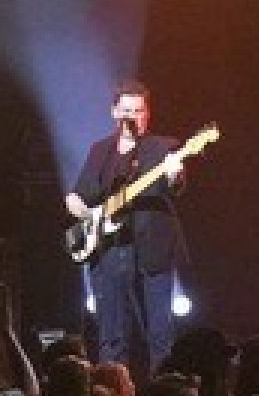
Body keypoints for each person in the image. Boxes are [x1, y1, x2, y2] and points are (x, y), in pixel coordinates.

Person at [66, 79, 190, 380]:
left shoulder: (165, 148)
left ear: (147, 113)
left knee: (160, 335)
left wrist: (174, 174)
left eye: (138, 111)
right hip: (109, 252)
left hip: (153, 251)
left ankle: (163, 394)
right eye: (126, 111)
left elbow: (176, 188)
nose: (132, 117)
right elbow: (78, 196)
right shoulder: (101, 151)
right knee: (112, 337)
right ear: (114, 112)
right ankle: (111, 395)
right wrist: (88, 215)